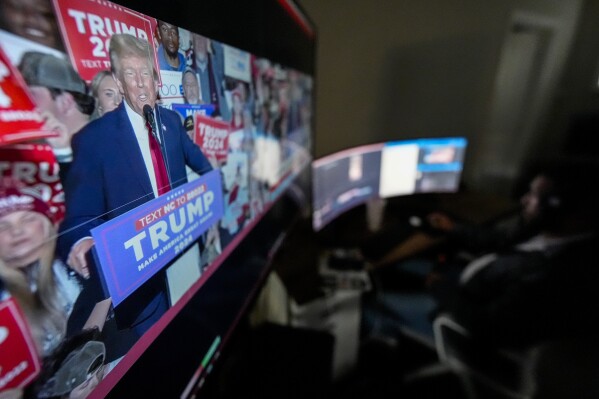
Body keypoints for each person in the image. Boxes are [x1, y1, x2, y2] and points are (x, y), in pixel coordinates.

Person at [56, 33, 212, 335]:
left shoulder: (171, 122)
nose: (140, 83)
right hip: (142, 289)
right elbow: (76, 219)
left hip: (187, 260)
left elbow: (202, 165)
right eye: (130, 74)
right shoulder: (94, 139)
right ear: (118, 81)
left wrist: (212, 187)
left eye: (145, 73)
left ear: (155, 80)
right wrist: (81, 243)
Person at [0, 181, 81, 358]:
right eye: (3, 226)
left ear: (47, 226)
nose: (17, 231)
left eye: (27, 219)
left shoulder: (73, 265)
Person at [18, 52, 94, 169]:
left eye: (29, 97)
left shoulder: (106, 151)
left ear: (65, 103)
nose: (20, 107)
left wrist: (62, 155)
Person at [190, 33, 230, 121]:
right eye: (196, 39)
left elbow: (219, 49)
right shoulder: (188, 66)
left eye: (202, 38)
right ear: (192, 43)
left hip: (222, 122)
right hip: (199, 125)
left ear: (207, 42)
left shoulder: (216, 63)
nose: (200, 42)